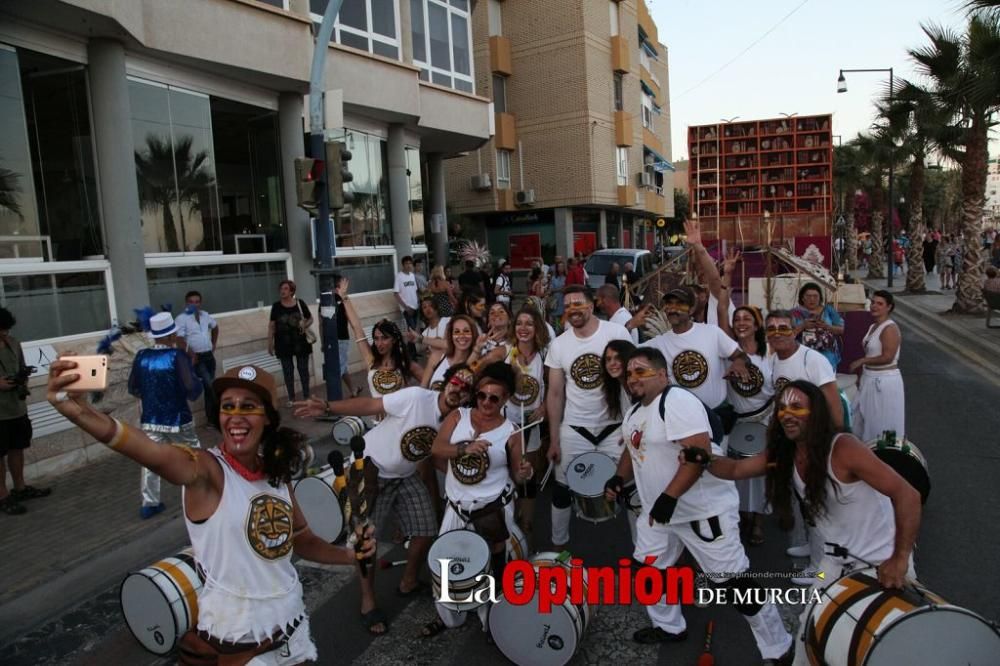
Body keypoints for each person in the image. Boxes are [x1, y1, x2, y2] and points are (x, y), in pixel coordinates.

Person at [48, 361, 375, 663]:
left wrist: (351, 555)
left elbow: (303, 541)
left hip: (289, 622)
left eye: (248, 406)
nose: (235, 415)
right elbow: (152, 452)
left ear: (268, 419)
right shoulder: (205, 471)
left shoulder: (276, 475)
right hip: (238, 637)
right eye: (227, 406)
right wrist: (81, 415)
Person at [688, 380, 920, 666]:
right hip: (832, 565)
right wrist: (703, 458)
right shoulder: (784, 453)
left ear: (816, 413)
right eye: (782, 408)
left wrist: (899, 558)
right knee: (811, 632)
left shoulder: (844, 448)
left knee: (878, 648)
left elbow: (907, 494)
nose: (787, 414)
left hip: (880, 562)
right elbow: (736, 468)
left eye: (797, 407)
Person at [607, 348, 793, 661]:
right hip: (660, 515)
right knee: (649, 571)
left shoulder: (676, 402)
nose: (632, 378)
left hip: (701, 512)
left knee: (735, 584)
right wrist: (617, 478)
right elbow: (632, 447)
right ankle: (669, 626)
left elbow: (699, 453)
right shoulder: (636, 411)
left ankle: (779, 645)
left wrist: (669, 497)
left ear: (663, 374)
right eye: (628, 374)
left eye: (640, 371)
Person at [294, 363, 474, 636]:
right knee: (365, 542)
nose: (458, 392)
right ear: (445, 382)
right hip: (371, 471)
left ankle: (409, 581)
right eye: (456, 384)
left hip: (406, 475)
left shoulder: (456, 420)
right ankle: (368, 602)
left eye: (465, 390)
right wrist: (328, 407)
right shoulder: (415, 397)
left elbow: (438, 455)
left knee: (426, 531)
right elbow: (370, 404)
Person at [422, 362, 533, 638]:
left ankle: (490, 623)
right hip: (457, 507)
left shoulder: (511, 430)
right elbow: (436, 447)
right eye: (482, 395)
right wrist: (464, 448)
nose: (486, 402)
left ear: (505, 399)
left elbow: (519, 476)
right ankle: (449, 617)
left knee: (488, 572)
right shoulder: (458, 416)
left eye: (494, 398)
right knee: (447, 565)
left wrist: (525, 472)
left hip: (491, 510)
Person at [544, 285, 631, 549]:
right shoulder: (559, 344)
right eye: (568, 304)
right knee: (562, 488)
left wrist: (632, 429)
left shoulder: (616, 333)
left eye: (578, 303)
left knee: (630, 488)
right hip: (575, 429)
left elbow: (630, 381)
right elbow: (556, 394)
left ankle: (645, 554)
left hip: (615, 428)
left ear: (592, 305)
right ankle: (559, 547)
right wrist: (554, 438)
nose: (573, 309)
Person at [764, 309, 846, 580]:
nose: (778, 333)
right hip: (795, 442)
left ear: (795, 329)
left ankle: (820, 569)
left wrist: (834, 441)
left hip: (817, 443)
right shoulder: (774, 361)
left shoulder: (813, 360)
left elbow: (833, 402)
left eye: (784, 327)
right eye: (772, 328)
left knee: (819, 504)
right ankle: (812, 547)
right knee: (804, 500)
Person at [129, 312, 202, 518]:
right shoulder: (177, 356)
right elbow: (191, 388)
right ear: (172, 335)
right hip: (178, 418)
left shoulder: (142, 356)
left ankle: (149, 503)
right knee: (194, 456)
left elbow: (133, 388)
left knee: (150, 461)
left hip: (151, 419)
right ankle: (200, 493)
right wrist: (195, 380)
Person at [640, 286, 752, 420]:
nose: (672, 309)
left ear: (692, 309)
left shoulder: (712, 333)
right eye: (669, 304)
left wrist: (739, 363)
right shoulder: (657, 344)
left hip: (716, 416)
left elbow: (741, 356)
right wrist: (630, 325)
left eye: (679, 304)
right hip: (682, 419)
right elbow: (623, 351)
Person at [719, 304, 772, 546]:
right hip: (738, 420)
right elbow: (721, 308)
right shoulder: (729, 351)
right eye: (737, 319)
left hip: (765, 419)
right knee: (736, 474)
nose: (741, 322)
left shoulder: (769, 352)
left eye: (747, 319)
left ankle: (759, 521)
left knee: (762, 473)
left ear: (757, 324)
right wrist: (725, 278)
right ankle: (740, 517)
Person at [504, 306, 550, 549]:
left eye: (529, 324)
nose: (523, 328)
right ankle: (509, 524)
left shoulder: (545, 355)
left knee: (528, 473)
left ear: (537, 328)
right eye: (519, 323)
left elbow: (553, 387)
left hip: (531, 424)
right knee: (510, 473)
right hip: (508, 424)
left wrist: (543, 407)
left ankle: (527, 525)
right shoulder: (505, 353)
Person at [0, 307, 51, 515]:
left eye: (6, 330)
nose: (5, 334)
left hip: (17, 408)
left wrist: (22, 379)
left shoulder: (13, 343)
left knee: (18, 448)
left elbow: (22, 365)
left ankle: (20, 488)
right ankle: (2, 496)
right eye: (1, 331)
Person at [849, 291, 904, 442]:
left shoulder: (890, 329)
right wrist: (862, 374)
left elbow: (888, 357)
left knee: (882, 424)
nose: (874, 306)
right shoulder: (873, 326)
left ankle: (884, 457)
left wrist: (862, 361)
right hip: (869, 378)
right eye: (873, 302)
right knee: (858, 420)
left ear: (889, 307)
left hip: (884, 381)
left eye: (880, 304)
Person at [175, 291, 220, 426]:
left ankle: (211, 420)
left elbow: (215, 327)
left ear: (200, 303)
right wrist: (191, 354)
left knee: (209, 387)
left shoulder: (205, 315)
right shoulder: (181, 318)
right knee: (210, 385)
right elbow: (179, 339)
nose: (194, 304)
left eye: (197, 301)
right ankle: (214, 418)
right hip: (197, 358)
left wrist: (214, 343)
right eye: (191, 302)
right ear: (186, 303)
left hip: (208, 356)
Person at [268, 279, 314, 402]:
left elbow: (310, 318)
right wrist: (270, 343)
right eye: (281, 289)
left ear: (292, 291)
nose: (282, 291)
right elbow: (272, 325)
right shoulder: (276, 306)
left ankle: (306, 396)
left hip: (301, 342)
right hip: (283, 344)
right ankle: (292, 398)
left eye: (286, 289)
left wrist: (305, 325)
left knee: (303, 370)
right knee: (288, 372)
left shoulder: (300, 303)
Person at [790, 283, 845, 372]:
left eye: (815, 296)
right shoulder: (794, 313)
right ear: (802, 298)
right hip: (803, 357)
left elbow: (843, 330)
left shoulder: (828, 310)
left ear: (820, 298)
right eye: (808, 296)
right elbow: (788, 335)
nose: (812, 299)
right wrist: (803, 326)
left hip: (827, 358)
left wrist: (827, 327)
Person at [422, 315, 477, 390]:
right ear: (450, 336)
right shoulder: (437, 357)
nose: (461, 335)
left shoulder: (476, 363)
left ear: (473, 334)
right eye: (457, 331)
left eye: (466, 331)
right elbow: (422, 389)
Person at [334, 275, 362, 397]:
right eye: (343, 284)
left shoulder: (343, 299)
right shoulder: (328, 299)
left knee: (342, 366)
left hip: (342, 337)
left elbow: (352, 319)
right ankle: (336, 397)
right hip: (335, 339)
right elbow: (321, 322)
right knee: (339, 367)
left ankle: (353, 390)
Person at [546, 261, 567, 331]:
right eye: (559, 267)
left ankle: (561, 331)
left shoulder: (566, 277)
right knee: (554, 318)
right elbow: (551, 289)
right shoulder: (554, 278)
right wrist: (559, 289)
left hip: (564, 299)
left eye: (562, 266)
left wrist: (559, 289)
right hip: (555, 300)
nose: (560, 268)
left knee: (563, 319)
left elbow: (566, 288)